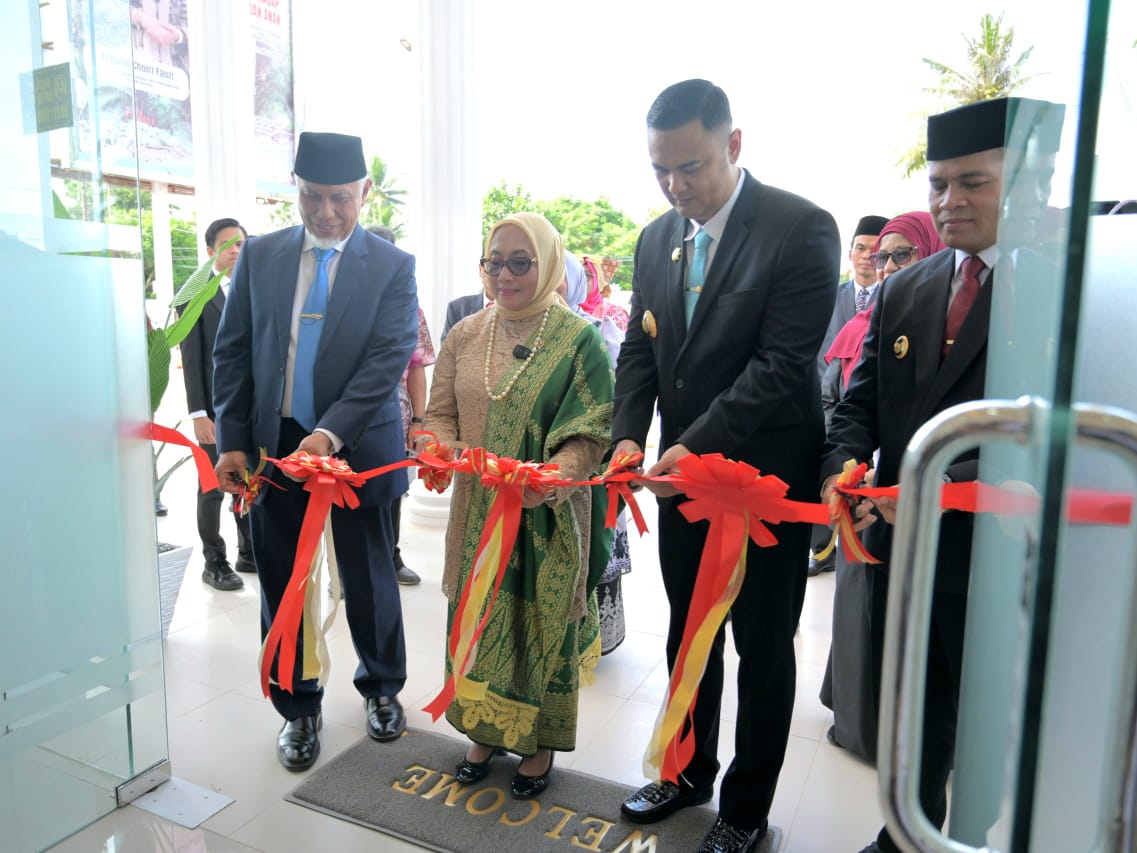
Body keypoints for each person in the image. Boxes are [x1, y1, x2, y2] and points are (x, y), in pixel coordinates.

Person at [821, 97, 1064, 853]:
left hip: (998, 554)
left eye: (972, 183)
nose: (949, 200)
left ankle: (967, 838)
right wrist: (843, 468)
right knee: (912, 708)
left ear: (1022, 185)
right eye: (938, 184)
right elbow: (859, 405)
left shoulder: (1061, 290)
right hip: (904, 550)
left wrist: (945, 492)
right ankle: (907, 833)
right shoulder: (907, 287)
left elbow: (1055, 431)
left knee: (984, 719)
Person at [612, 79, 839, 853]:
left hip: (764, 482)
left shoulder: (798, 227)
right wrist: (627, 436)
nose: (675, 186)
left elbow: (782, 363)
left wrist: (698, 442)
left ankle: (744, 810)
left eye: (691, 166)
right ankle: (684, 770)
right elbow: (639, 346)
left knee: (761, 645)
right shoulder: (655, 239)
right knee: (689, 630)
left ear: (732, 144)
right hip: (681, 482)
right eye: (660, 170)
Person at [212, 131, 419, 772]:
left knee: (369, 576)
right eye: (312, 197)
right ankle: (297, 707)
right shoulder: (261, 256)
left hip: (356, 448)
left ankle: (381, 688)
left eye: (340, 198)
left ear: (364, 192)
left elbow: (386, 361)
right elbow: (233, 353)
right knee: (283, 579)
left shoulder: (392, 266)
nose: (326, 212)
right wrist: (233, 441)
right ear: (295, 189)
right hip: (275, 450)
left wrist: (329, 434)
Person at [422, 213, 613, 801]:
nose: (503, 275)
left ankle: (538, 744)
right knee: (478, 613)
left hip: (546, 514)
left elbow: (592, 429)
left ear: (548, 264)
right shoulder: (465, 334)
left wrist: (552, 478)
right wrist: (440, 449)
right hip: (476, 510)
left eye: (520, 262)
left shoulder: (579, 339)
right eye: (494, 262)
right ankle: (483, 731)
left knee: (538, 621)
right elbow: (439, 413)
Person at [817, 210, 944, 762]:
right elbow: (847, 401)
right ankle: (861, 723)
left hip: (943, 506)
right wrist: (844, 468)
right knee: (863, 615)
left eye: (901, 255)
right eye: (880, 255)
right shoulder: (868, 318)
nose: (887, 266)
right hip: (869, 497)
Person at [808, 214, 888, 577]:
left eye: (875, 250)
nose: (866, 256)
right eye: (860, 248)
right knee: (826, 472)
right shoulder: (829, 296)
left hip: (870, 408)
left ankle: (859, 548)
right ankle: (821, 548)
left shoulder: (897, 296)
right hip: (825, 401)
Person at [179, 217, 252, 592]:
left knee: (245, 479)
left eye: (241, 243)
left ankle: (248, 551)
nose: (236, 250)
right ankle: (214, 561)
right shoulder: (194, 295)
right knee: (210, 487)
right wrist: (198, 414)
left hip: (249, 409)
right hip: (212, 410)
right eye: (227, 244)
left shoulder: (255, 289)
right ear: (211, 251)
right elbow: (191, 358)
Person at [563, 251, 630, 654]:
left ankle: (594, 639)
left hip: (593, 459)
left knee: (594, 545)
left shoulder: (597, 330)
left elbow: (616, 395)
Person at [365, 224, 435, 587]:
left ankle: (391, 557)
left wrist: (418, 420)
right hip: (349, 419)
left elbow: (417, 368)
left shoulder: (411, 308)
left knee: (393, 490)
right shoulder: (340, 303)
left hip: (397, 415)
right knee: (347, 489)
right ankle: (345, 567)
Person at [440, 269, 489, 345]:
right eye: (494, 265)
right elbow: (446, 348)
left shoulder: (510, 310)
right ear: (481, 270)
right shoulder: (457, 308)